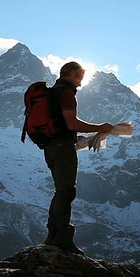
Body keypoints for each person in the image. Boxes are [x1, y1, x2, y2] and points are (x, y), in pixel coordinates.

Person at [43, 61, 113, 255]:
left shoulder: (52, 93)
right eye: (80, 75)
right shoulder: (66, 93)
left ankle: (52, 235)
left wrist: (74, 137)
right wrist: (100, 128)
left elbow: (61, 124)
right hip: (62, 148)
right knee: (66, 191)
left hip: (50, 146)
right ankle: (62, 240)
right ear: (72, 73)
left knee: (60, 190)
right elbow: (71, 122)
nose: (82, 79)